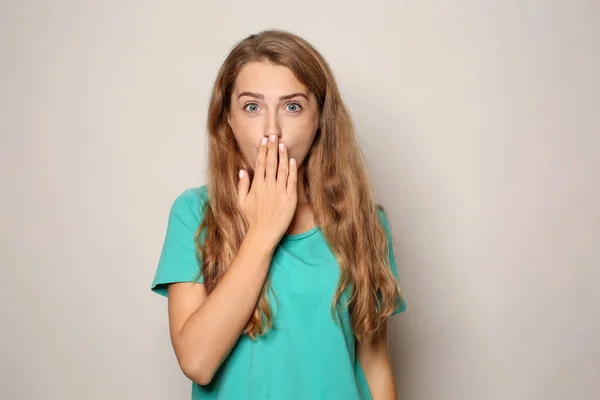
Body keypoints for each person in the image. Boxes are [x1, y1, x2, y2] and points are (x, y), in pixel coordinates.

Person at [150, 29, 407, 400]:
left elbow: (375, 363)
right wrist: (263, 232)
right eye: (252, 107)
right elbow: (197, 361)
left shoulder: (363, 222)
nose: (272, 131)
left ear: (321, 118)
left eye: (292, 106)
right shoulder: (193, 214)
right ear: (228, 119)